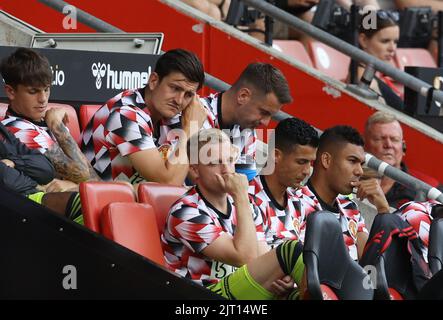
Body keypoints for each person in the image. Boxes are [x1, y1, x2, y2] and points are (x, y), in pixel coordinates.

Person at [162, 128, 307, 300]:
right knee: (291, 251)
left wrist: (283, 278)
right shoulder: (185, 212)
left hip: (237, 292)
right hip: (197, 295)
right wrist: (240, 196)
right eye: (215, 163)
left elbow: (261, 256)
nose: (227, 169)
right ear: (194, 170)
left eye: (230, 160)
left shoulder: (246, 206)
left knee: (294, 295)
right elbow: (245, 257)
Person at [81, 48, 208, 186]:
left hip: (131, 201)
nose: (179, 100)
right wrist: (191, 129)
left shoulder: (174, 115)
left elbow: (201, 176)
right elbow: (168, 183)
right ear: (153, 81)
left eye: (188, 95)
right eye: (175, 88)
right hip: (99, 202)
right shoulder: (125, 115)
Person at [0, 47, 99, 193]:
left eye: (46, 89)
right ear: (11, 91)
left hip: (73, 205)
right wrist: (57, 124)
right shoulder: (18, 128)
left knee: (129, 189)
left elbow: (94, 181)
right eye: (33, 92)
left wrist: (74, 186)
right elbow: (84, 174)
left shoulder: (44, 121)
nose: (43, 99)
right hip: (45, 211)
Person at [298, 125, 391, 261]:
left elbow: (372, 263)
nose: (359, 171)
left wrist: (383, 209)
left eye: (361, 164)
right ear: (326, 160)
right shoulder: (296, 202)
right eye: (352, 161)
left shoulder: (350, 207)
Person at [200, 62, 292, 181]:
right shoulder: (198, 115)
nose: (266, 123)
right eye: (264, 112)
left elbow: (246, 184)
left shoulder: (246, 129)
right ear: (243, 96)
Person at [248, 117, 319, 248]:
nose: (307, 171)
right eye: (301, 162)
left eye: (311, 163)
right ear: (275, 155)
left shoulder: (304, 203)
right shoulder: (246, 199)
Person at [0, 122, 82, 221]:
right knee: (84, 203)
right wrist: (56, 123)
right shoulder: (17, 125)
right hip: (14, 203)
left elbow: (46, 170)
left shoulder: (3, 130)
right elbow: (7, 180)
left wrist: (15, 162)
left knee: (89, 203)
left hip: (33, 195)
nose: (43, 105)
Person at [363, 111, 441, 208]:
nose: (388, 145)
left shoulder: (428, 188)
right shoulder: (349, 177)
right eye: (379, 139)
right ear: (364, 145)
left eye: (394, 139)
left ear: (403, 147)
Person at [354, 10, 405, 111]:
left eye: (395, 42)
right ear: (363, 40)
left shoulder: (375, 76)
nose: (392, 48)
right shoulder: (364, 80)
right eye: (385, 41)